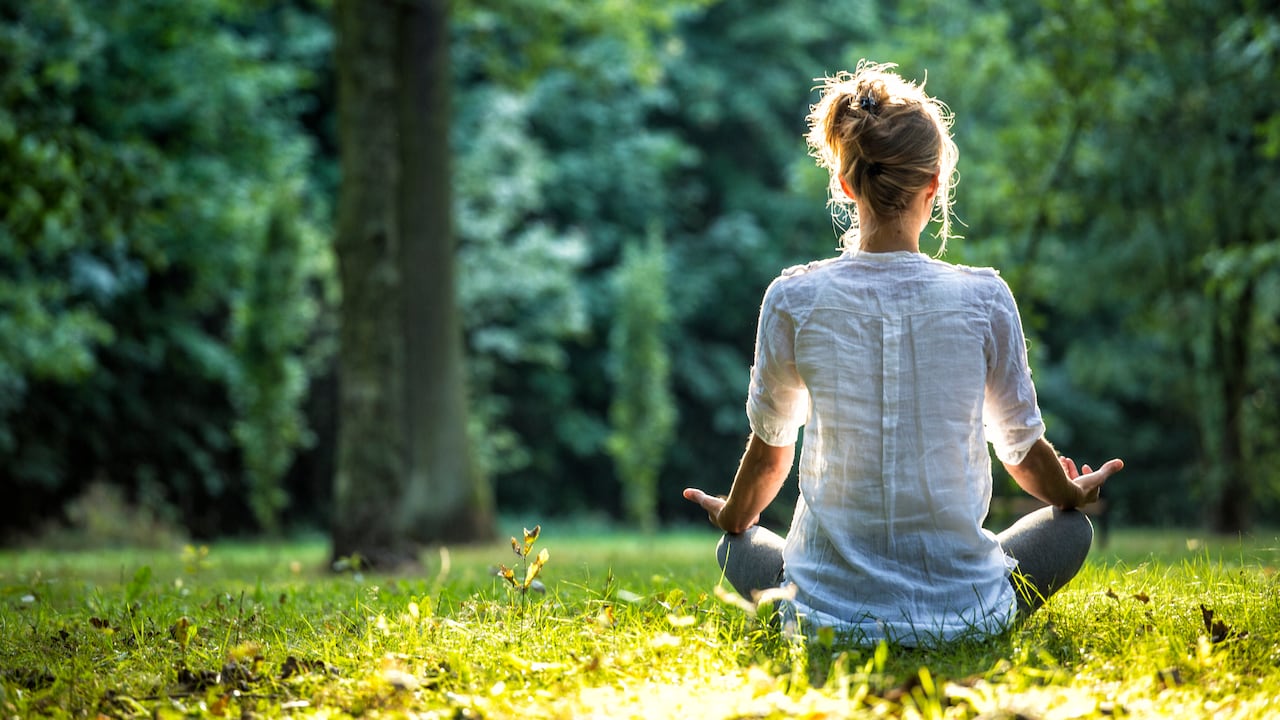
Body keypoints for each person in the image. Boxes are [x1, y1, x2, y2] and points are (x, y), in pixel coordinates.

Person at [682, 61, 1123, 646]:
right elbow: (1020, 451)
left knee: (734, 546)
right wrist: (1070, 493)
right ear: (934, 184)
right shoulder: (984, 297)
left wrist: (733, 516)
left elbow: (769, 459)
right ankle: (970, 615)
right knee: (1071, 533)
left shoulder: (792, 297)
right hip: (964, 610)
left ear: (845, 184)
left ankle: (817, 599)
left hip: (824, 618)